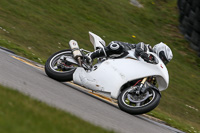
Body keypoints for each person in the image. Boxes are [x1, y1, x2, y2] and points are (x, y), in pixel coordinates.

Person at [85, 41, 173, 65]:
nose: (162, 61)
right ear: (159, 51)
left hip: (124, 65)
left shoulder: (152, 63)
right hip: (123, 51)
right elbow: (139, 50)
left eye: (165, 61)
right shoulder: (146, 47)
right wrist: (145, 55)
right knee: (117, 47)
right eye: (163, 58)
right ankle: (91, 55)